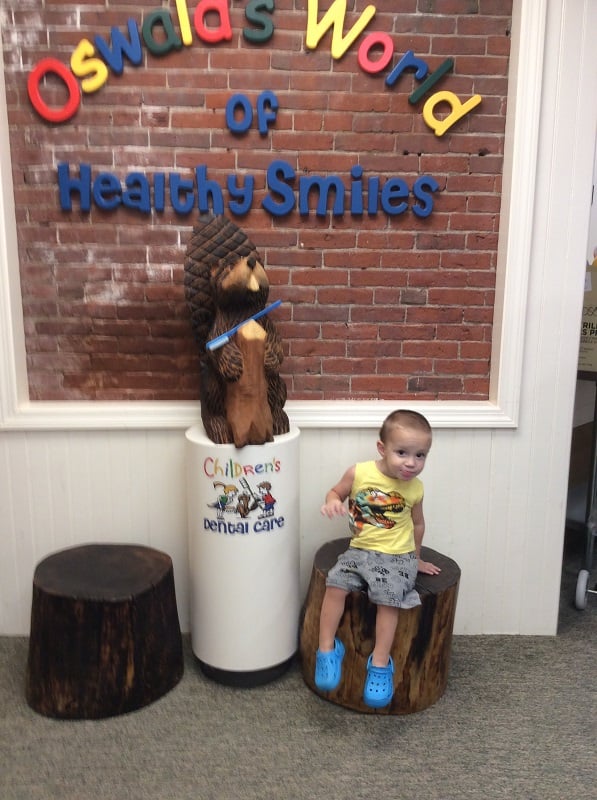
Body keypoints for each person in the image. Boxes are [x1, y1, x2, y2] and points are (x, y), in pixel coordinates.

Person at [315, 409, 440, 708]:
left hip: (397, 557)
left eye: (420, 455)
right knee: (335, 585)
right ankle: (327, 650)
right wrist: (332, 502)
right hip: (358, 551)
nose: (411, 463)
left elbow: (418, 524)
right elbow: (336, 492)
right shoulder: (359, 473)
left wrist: (416, 558)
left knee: (388, 600)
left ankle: (380, 664)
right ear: (382, 449)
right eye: (402, 453)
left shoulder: (415, 488)